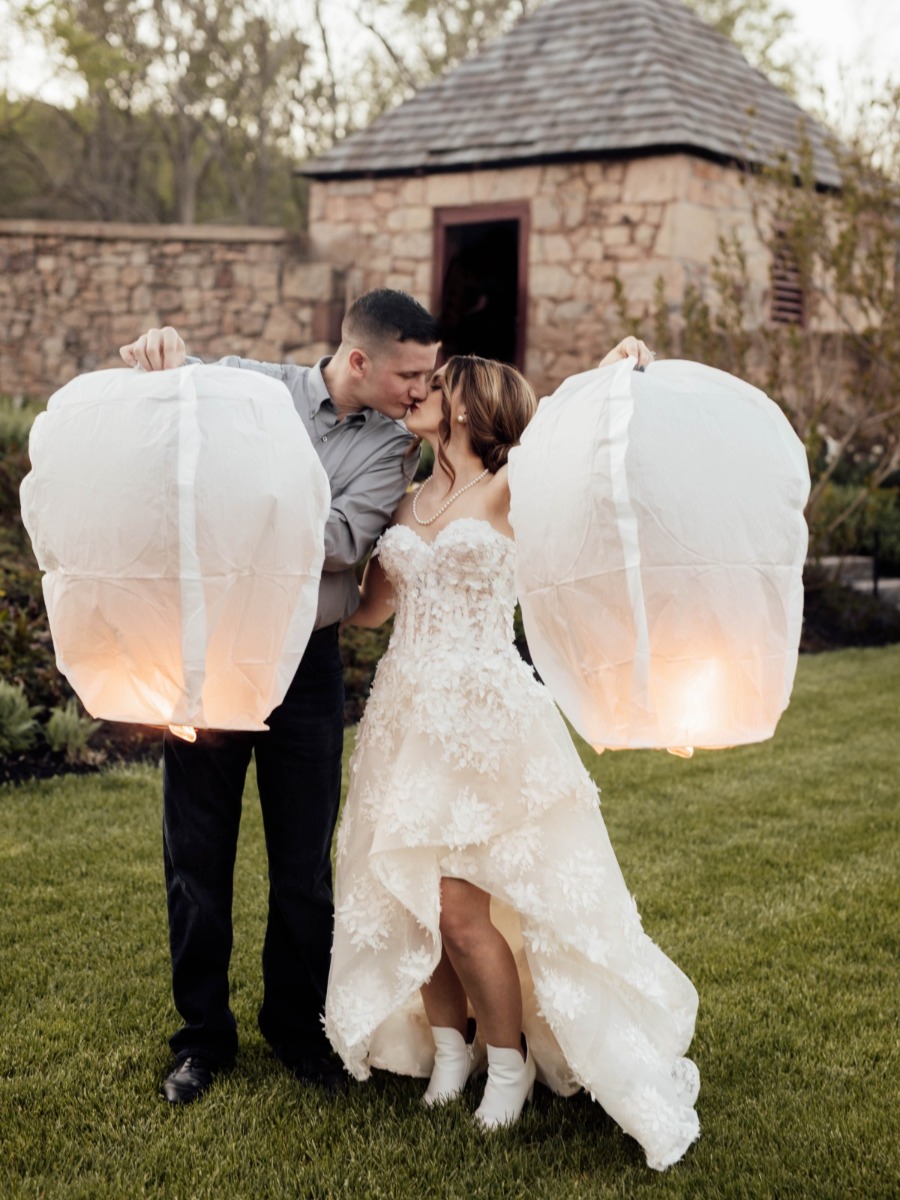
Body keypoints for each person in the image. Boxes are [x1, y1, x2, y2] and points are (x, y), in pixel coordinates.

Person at [325, 342, 701, 1171]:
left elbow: (578, 452)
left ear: (468, 404)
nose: (419, 393)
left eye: (436, 385)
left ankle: (508, 1063)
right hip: (402, 717)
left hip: (484, 720)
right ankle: (450, 1051)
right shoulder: (405, 498)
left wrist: (611, 368)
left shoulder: (509, 485)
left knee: (464, 910)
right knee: (414, 898)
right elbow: (370, 613)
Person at [119, 289, 441, 1104]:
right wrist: (159, 345)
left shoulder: (391, 447)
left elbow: (339, 542)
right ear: (359, 360)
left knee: (304, 866)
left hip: (306, 669)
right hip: (212, 662)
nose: (419, 392)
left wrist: (235, 500)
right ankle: (201, 1040)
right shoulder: (247, 388)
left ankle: (298, 1033)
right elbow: (171, 383)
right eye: (410, 374)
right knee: (195, 860)